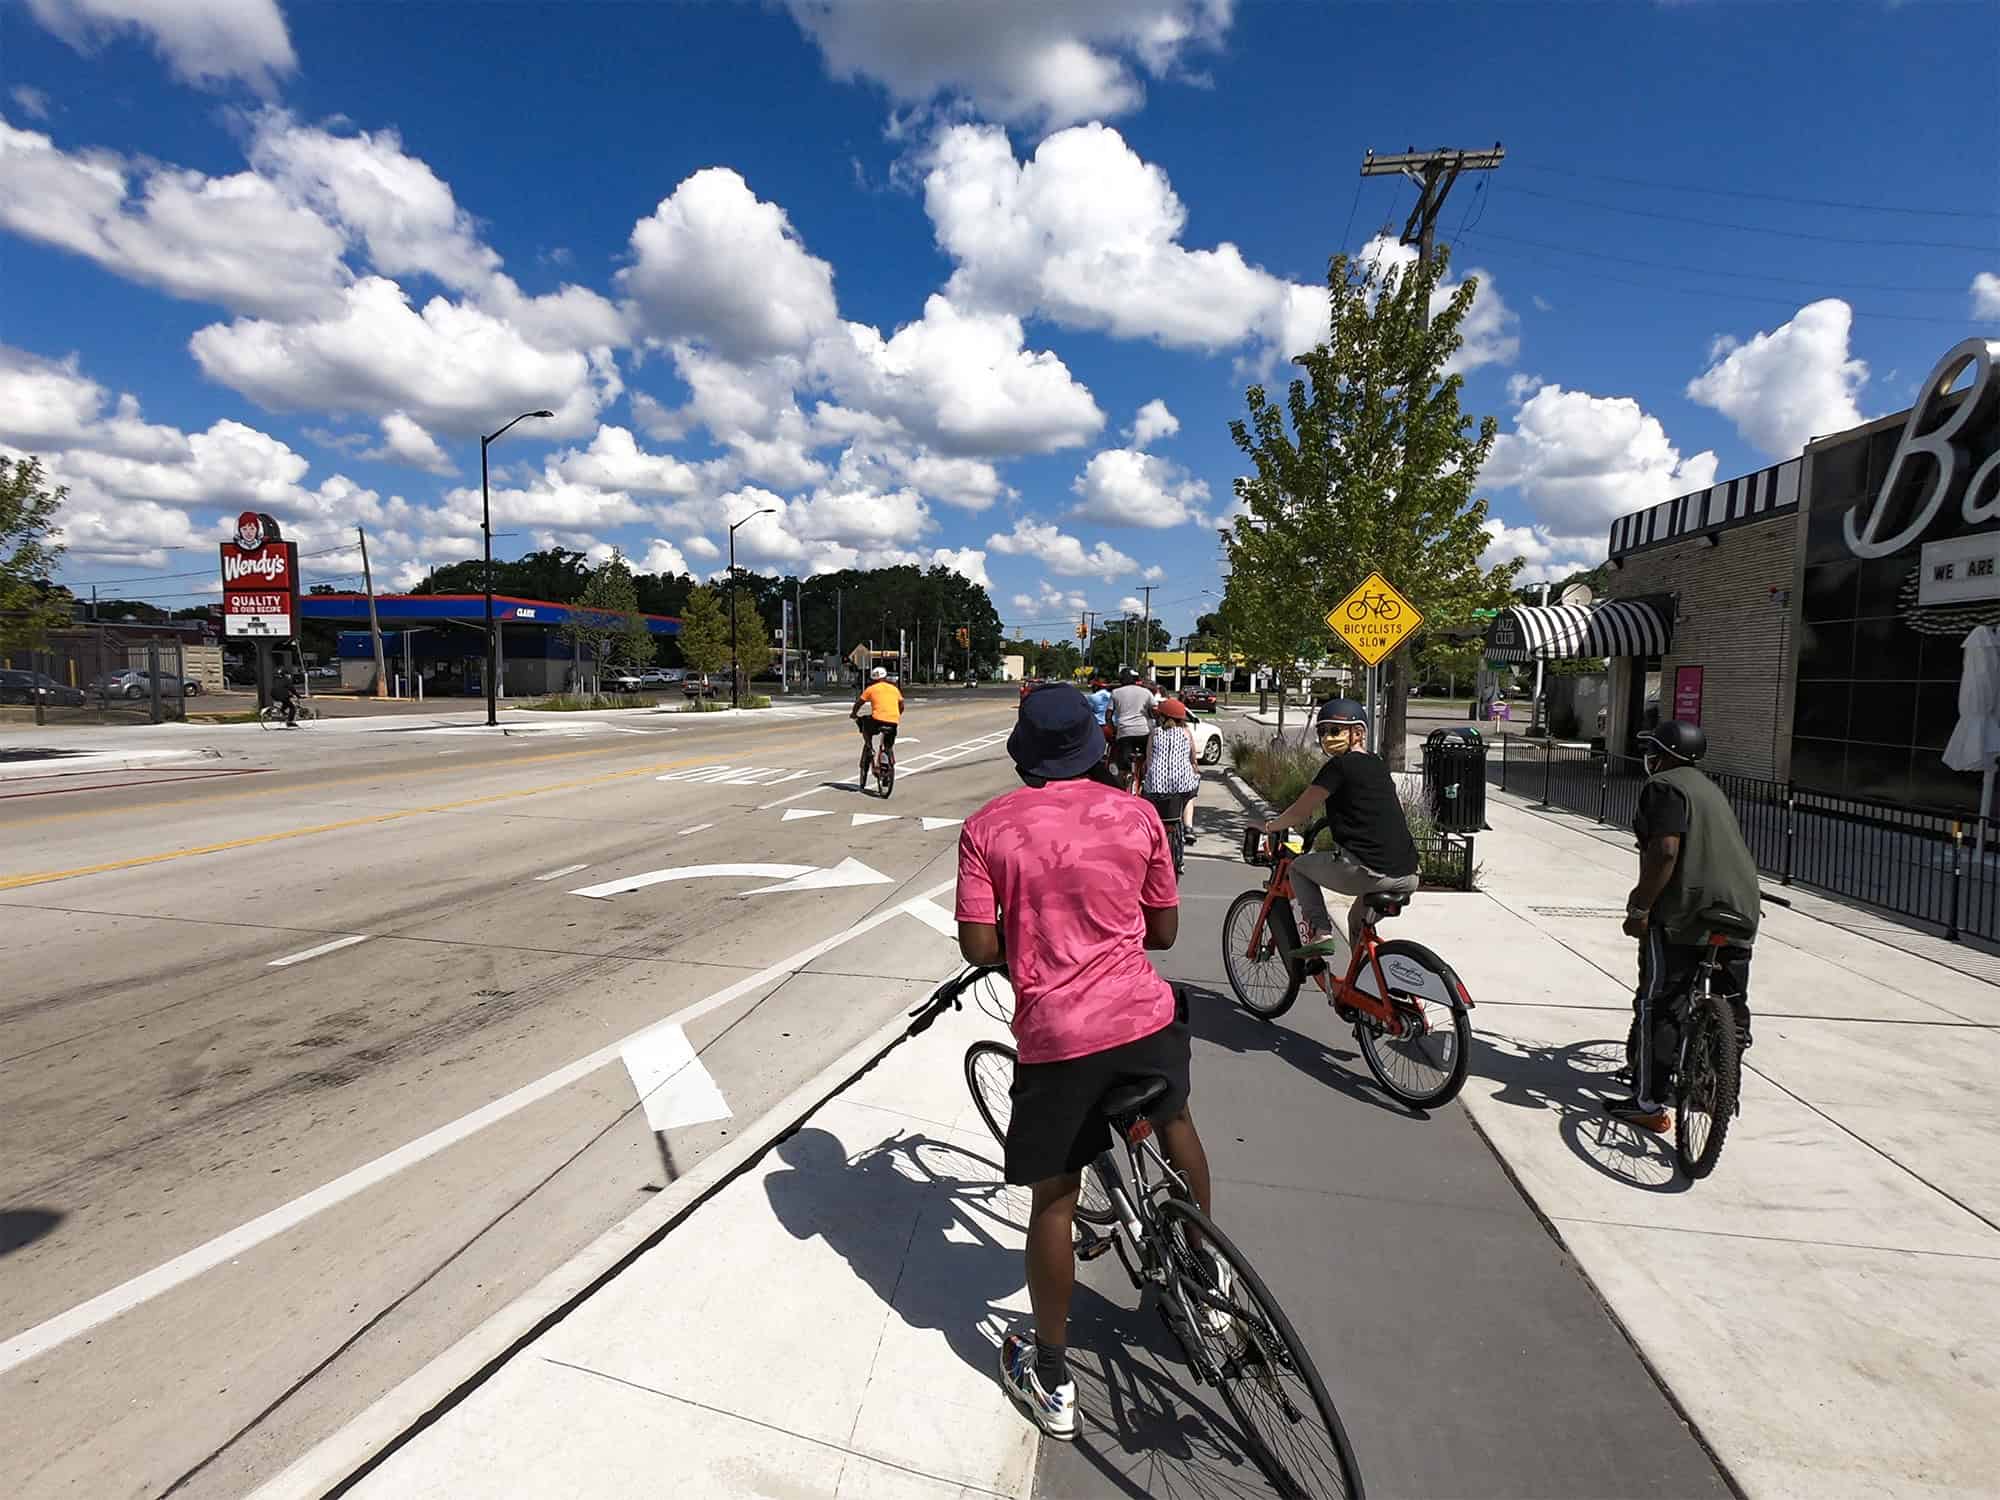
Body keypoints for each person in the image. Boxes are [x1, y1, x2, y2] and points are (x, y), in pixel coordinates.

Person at [956, 684, 1217, 1442]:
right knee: (1175, 1120)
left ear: (1025, 751)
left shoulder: (988, 828)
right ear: (1096, 744)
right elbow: (1163, 932)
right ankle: (1208, 1269)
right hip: (1145, 1018)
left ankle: (1052, 1371)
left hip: (1059, 1038)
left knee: (1056, 1199)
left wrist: (1034, 951)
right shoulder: (1136, 814)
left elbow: (978, 947)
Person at [1611, 720, 1759, 1133]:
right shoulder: (1710, 789)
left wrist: (1640, 907)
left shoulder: (1665, 787)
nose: (1650, 757)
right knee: (1730, 1003)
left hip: (1685, 913)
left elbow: (1666, 850)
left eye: (1653, 749)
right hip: (1740, 909)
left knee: (1660, 1004)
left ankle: (1649, 1103)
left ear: (1665, 754)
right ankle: (1716, 1089)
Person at [1260, 698, 1420, 968]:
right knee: (1356, 925)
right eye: (1322, 732)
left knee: (1298, 868)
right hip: (1408, 875)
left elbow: (1301, 811)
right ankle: (1369, 991)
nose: (1327, 738)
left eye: (1335, 731)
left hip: (1367, 872)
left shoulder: (1339, 767)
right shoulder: (1377, 764)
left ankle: (1321, 933)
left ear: (1358, 733)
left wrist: (1269, 826)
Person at [1141, 697, 1201, 875]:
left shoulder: (1155, 732)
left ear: (1162, 717)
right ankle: (1189, 827)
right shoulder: (1185, 733)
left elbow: (1149, 759)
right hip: (1181, 783)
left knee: (1152, 810)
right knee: (1191, 794)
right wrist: (1195, 769)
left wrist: (1148, 772)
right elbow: (1193, 759)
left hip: (1156, 785)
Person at [851, 666, 903, 779]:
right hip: (893, 721)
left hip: (877, 721)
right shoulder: (894, 689)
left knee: (865, 725)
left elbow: (859, 703)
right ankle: (888, 764)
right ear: (885, 677)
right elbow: (901, 705)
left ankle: (870, 748)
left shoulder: (871, 689)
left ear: (873, 679)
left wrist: (854, 714)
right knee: (888, 746)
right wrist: (897, 714)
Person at [1108, 667, 1153, 789]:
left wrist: (1113, 729)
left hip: (1124, 732)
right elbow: (1154, 711)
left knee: (1122, 764)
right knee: (1147, 758)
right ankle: (1144, 778)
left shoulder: (1116, 693)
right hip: (1143, 731)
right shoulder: (1146, 692)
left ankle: (1126, 780)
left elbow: (1108, 716)